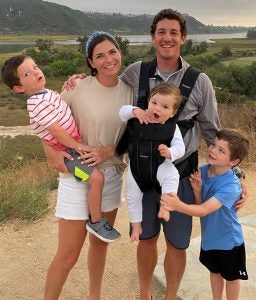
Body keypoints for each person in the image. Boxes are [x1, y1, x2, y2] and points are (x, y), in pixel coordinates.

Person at [64, 9, 247, 300]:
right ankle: (145, 295)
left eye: (174, 32)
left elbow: (214, 133)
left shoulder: (200, 82)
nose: (167, 38)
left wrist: (236, 176)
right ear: (152, 37)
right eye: (161, 32)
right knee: (146, 239)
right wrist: (79, 80)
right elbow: (106, 82)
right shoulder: (136, 72)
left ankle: (170, 296)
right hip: (143, 171)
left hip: (181, 174)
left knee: (177, 244)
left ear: (183, 38)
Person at [26, 31, 133, 299]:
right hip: (77, 176)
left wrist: (108, 150)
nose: (108, 59)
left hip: (111, 175)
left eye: (112, 51)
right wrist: (50, 153)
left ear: (119, 52)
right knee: (68, 253)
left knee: (99, 246)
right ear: (91, 62)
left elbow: (135, 136)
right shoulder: (77, 87)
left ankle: (94, 296)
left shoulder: (131, 91)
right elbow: (47, 124)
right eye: (100, 56)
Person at [1, 54, 120, 243]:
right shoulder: (36, 104)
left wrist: (76, 80)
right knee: (97, 179)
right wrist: (78, 146)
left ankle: (94, 215)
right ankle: (96, 221)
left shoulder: (45, 94)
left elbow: (62, 105)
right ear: (19, 88)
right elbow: (56, 131)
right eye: (27, 74)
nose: (35, 72)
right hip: (69, 155)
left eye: (36, 67)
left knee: (95, 178)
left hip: (72, 149)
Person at [161, 128, 249, 300]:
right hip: (209, 239)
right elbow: (201, 207)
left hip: (229, 242)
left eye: (221, 150)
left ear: (234, 161)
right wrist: (197, 190)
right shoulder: (203, 171)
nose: (213, 150)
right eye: (214, 145)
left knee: (231, 278)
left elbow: (203, 210)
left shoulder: (231, 186)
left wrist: (178, 205)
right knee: (214, 272)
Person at [117, 82, 185, 241]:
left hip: (159, 166)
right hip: (136, 168)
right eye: (154, 103)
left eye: (165, 106)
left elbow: (180, 148)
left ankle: (165, 206)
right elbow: (121, 112)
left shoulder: (171, 128)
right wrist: (135, 111)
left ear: (173, 112)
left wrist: (169, 152)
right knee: (132, 195)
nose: (157, 109)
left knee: (172, 176)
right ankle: (136, 226)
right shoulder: (138, 117)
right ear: (148, 101)